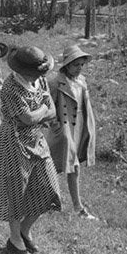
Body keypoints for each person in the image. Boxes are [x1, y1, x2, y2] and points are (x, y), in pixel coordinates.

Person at [0, 45, 62, 254]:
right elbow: (27, 118)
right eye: (34, 73)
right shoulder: (11, 86)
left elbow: (52, 110)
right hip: (13, 141)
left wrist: (39, 113)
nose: (39, 76)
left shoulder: (40, 80)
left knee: (49, 188)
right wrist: (42, 112)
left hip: (37, 140)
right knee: (15, 190)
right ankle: (14, 238)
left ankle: (25, 230)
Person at [47, 43, 98, 219]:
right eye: (76, 64)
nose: (79, 68)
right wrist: (56, 126)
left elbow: (84, 104)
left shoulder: (81, 81)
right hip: (64, 127)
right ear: (67, 64)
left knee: (72, 166)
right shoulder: (55, 82)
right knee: (56, 165)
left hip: (78, 126)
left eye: (82, 65)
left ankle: (75, 205)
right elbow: (48, 106)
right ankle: (63, 204)